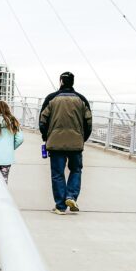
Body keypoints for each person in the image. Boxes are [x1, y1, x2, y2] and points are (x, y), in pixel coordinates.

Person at [39, 71, 92, 215]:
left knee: (57, 174)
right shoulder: (81, 99)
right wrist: (82, 138)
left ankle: (60, 206)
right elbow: (88, 123)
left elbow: (42, 121)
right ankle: (71, 196)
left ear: (61, 81)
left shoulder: (51, 98)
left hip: (55, 143)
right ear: (73, 82)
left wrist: (46, 137)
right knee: (76, 170)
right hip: (76, 143)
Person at [0, 101, 24, 183]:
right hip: (7, 157)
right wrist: (11, 147)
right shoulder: (13, 122)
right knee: (4, 180)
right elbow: (20, 138)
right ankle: (3, 195)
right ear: (7, 109)